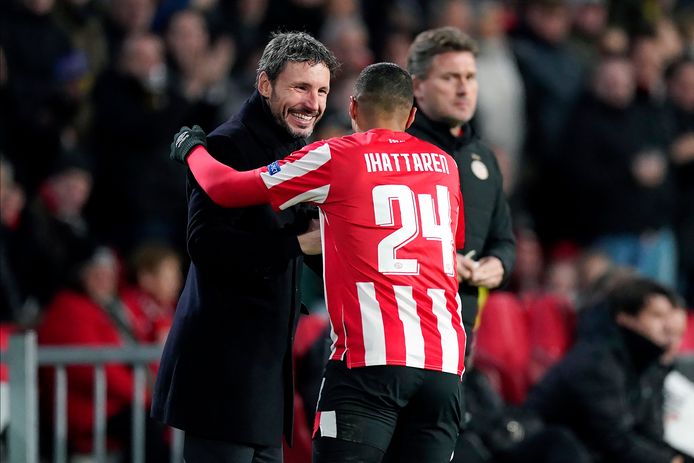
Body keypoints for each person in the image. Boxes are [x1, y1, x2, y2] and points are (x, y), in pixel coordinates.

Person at [170, 62, 467, 463]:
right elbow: (453, 241)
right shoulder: (445, 166)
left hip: (369, 361)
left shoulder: (338, 156)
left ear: (353, 109)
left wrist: (193, 149)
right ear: (412, 115)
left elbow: (224, 188)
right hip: (444, 365)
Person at [151, 31, 339, 463]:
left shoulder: (299, 148)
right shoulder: (226, 146)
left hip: (263, 384)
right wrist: (299, 243)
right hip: (222, 378)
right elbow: (205, 243)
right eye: (301, 87)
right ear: (265, 85)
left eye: (322, 91)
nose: (313, 103)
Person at [405, 26, 515, 354]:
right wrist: (441, 260)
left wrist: (500, 263)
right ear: (418, 86)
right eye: (450, 77)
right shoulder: (397, 149)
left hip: (461, 330)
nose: (464, 88)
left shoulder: (483, 157)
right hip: (402, 324)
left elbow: (504, 238)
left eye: (470, 77)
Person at [525, 277, 687, 463]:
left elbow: (651, 432)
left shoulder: (649, 362)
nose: (667, 326)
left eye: (668, 316)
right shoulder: (596, 360)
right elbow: (612, 439)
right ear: (625, 318)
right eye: (657, 316)